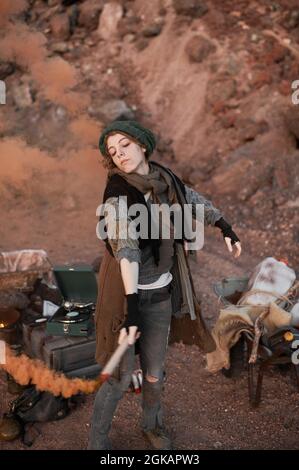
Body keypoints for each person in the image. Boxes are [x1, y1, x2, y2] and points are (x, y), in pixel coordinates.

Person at [89, 120, 242, 450]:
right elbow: (126, 249)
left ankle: (152, 426)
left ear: (142, 145)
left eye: (125, 145)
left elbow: (192, 198)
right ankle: (97, 441)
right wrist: (131, 310)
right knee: (118, 379)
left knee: (155, 373)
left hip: (160, 295)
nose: (120, 155)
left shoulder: (165, 180)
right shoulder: (117, 196)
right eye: (113, 152)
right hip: (127, 299)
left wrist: (224, 225)